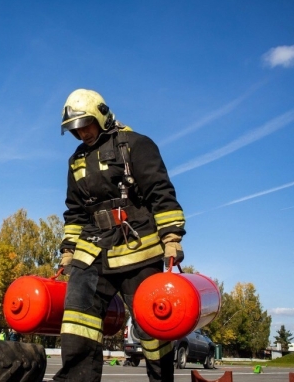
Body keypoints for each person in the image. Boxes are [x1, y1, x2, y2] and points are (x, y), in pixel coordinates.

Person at [54, 89, 185, 382]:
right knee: (77, 323)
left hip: (137, 248)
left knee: (152, 326)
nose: (81, 133)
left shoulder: (136, 145)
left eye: (85, 124)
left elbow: (159, 191)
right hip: (92, 250)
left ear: (100, 116)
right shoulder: (76, 161)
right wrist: (69, 250)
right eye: (74, 129)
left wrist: (172, 237)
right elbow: (75, 211)